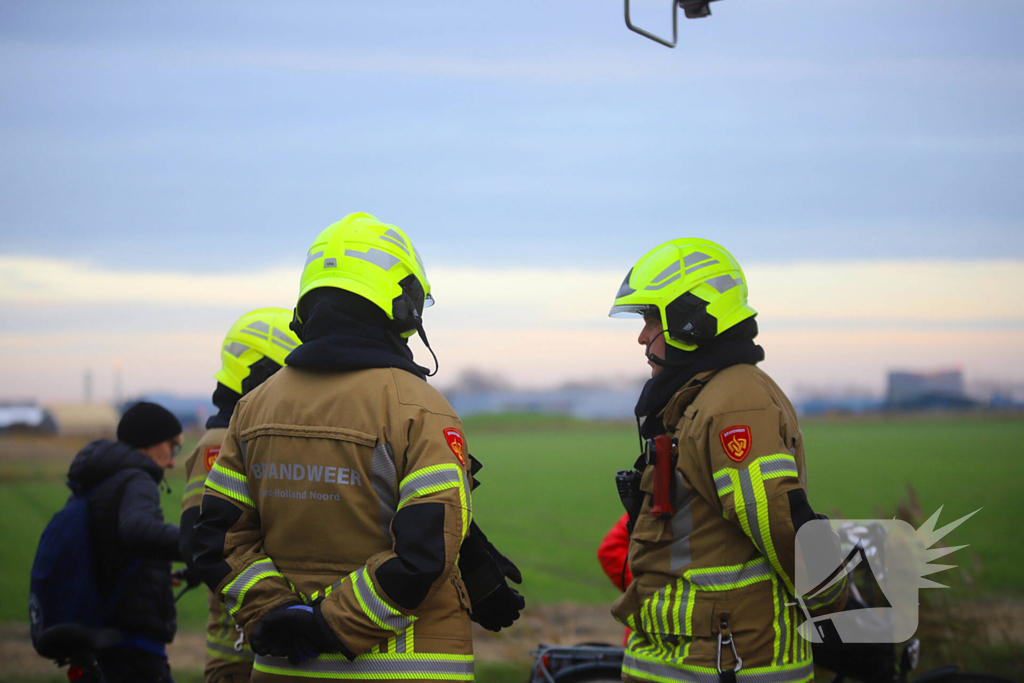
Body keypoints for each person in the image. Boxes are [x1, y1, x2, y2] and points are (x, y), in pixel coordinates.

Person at [192, 212, 523, 682]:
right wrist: (327, 623)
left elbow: (219, 541)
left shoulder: (252, 409)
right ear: (403, 305)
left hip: (283, 670)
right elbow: (423, 555)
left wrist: (281, 614)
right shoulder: (419, 408)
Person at [607, 239, 847, 683]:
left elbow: (780, 519)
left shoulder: (735, 403)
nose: (642, 336)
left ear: (690, 319)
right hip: (693, 658)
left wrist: (837, 611)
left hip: (733, 661)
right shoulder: (699, 396)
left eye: (651, 319)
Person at [179, 308, 301, 683]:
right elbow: (199, 542)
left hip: (267, 647)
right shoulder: (219, 443)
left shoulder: (247, 435)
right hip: (239, 658)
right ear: (261, 372)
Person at [65, 401, 184, 683]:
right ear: (148, 443)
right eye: (172, 447)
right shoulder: (136, 479)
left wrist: (152, 574)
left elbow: (105, 549)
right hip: (132, 643)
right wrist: (202, 543)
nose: (172, 461)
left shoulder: (99, 480)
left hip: (97, 633)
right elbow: (136, 530)